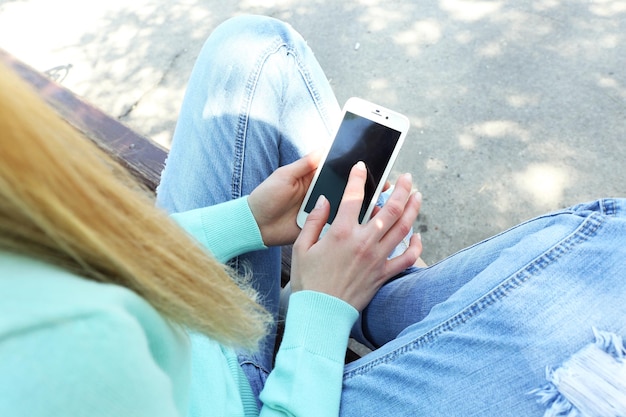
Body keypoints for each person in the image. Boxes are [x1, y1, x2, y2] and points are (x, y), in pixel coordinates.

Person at [1, 14, 624, 417]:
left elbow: (100, 264)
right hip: (268, 399)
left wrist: (242, 221)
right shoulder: (41, 359)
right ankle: (378, 295)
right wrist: (321, 311)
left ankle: (374, 290)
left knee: (254, 50)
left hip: (191, 326)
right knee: (609, 245)